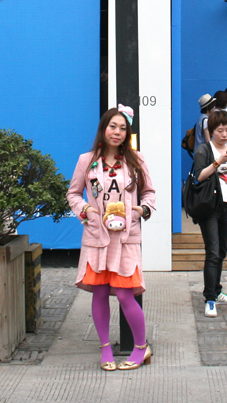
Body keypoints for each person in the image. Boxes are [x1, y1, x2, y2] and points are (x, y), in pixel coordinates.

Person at [67, 106, 156, 371]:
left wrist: (141, 210)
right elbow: (73, 193)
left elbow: (149, 193)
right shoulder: (87, 160)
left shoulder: (135, 160)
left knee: (126, 295)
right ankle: (105, 349)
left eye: (123, 128)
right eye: (112, 126)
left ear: (128, 133)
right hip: (97, 236)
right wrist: (86, 210)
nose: (117, 132)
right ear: (103, 129)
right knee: (100, 293)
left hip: (126, 237)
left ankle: (141, 348)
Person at [191, 111, 227, 318]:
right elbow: (199, 176)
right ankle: (209, 299)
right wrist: (218, 162)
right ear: (212, 131)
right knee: (213, 252)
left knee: (222, 251)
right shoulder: (204, 149)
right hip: (209, 207)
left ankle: (216, 290)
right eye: (220, 130)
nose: (224, 134)